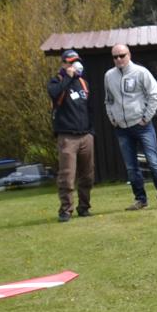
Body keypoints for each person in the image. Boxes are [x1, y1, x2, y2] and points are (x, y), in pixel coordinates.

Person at [103, 43, 157, 210]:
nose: (119, 59)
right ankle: (140, 199)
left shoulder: (141, 72)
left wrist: (146, 118)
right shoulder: (109, 76)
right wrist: (112, 118)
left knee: (153, 162)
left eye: (122, 55)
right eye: (115, 57)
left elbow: (154, 95)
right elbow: (108, 100)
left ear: (129, 55)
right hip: (121, 128)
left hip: (142, 126)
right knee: (131, 167)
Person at [46, 48, 95, 222]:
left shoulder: (83, 83)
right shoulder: (57, 80)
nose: (76, 64)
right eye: (72, 62)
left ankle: (84, 207)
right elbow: (53, 93)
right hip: (67, 137)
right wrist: (68, 76)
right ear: (64, 64)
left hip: (86, 136)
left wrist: (91, 132)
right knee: (67, 176)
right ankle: (66, 210)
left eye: (77, 61)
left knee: (87, 176)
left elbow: (90, 109)